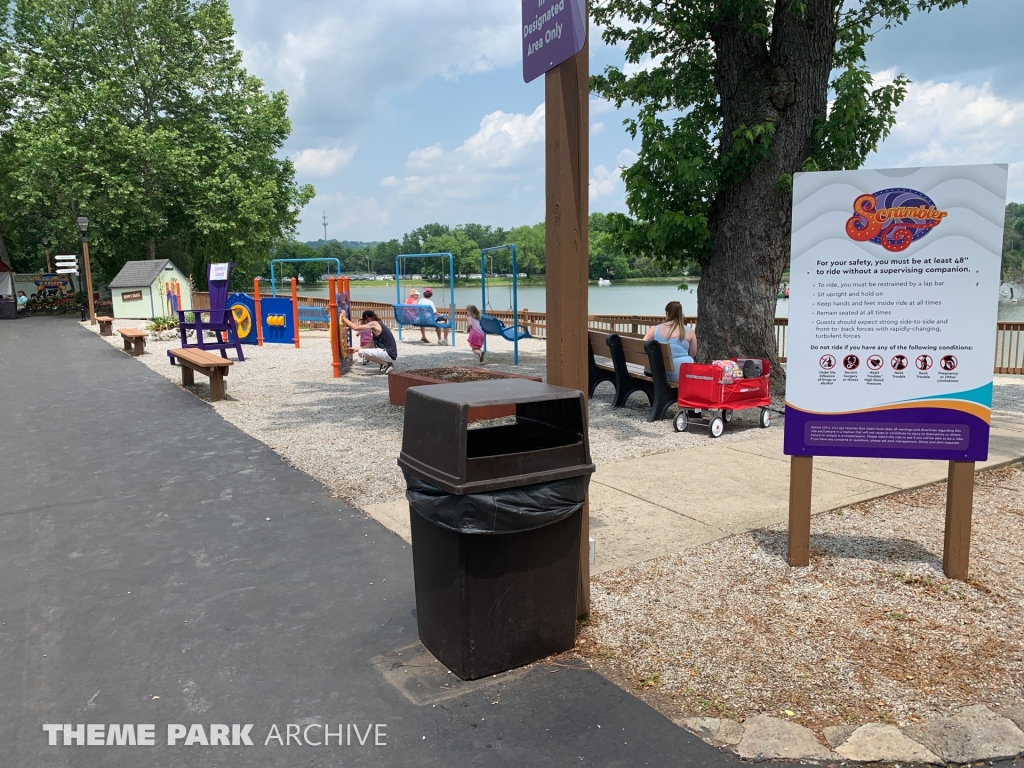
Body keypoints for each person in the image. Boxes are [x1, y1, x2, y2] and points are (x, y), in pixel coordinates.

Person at [643, 301, 695, 382]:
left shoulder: (655, 329)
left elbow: (642, 345)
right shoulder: (689, 331)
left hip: (661, 372)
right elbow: (692, 354)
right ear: (681, 313)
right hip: (682, 373)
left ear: (667, 313)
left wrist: (650, 330)